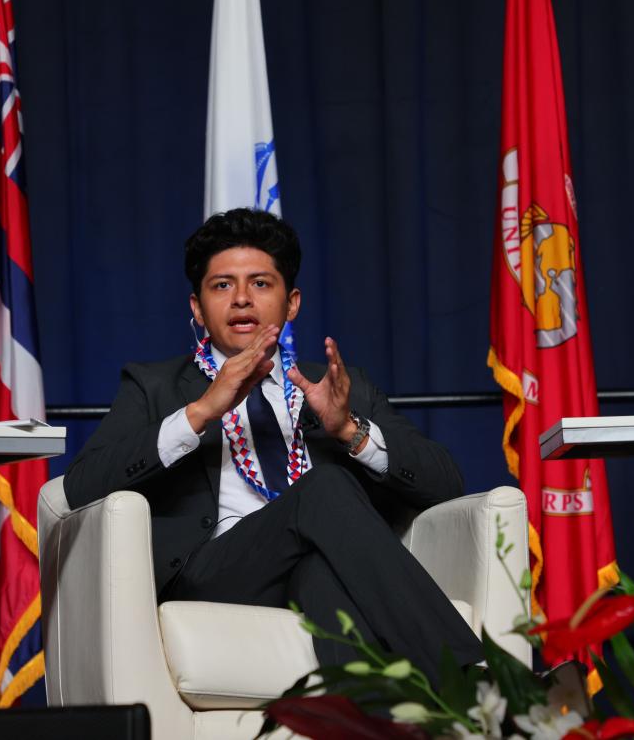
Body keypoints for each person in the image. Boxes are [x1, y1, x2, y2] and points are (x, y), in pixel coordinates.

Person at [64, 208, 483, 679]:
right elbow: (82, 487)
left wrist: (349, 430)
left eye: (261, 283)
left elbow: (446, 483)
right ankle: (479, 680)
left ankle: (368, 723)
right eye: (222, 285)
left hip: (313, 561)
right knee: (324, 488)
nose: (242, 299)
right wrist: (200, 412)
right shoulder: (154, 385)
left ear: (293, 302)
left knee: (322, 574)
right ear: (197, 308)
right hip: (215, 571)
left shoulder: (341, 386)